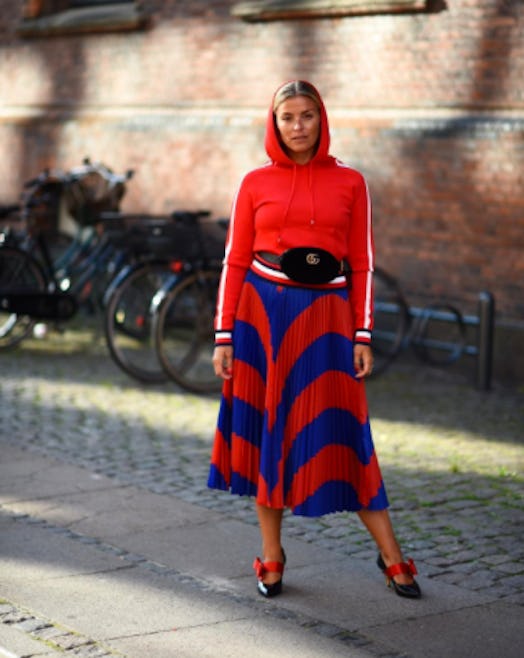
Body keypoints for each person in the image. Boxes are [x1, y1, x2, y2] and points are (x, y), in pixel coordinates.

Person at [208, 80, 421, 600]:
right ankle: (272, 556)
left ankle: (392, 557)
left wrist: (362, 332)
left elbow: (364, 262)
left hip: (326, 319)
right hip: (261, 318)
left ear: (321, 119)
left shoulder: (351, 182)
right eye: (288, 117)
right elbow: (235, 259)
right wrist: (224, 335)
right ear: (274, 123)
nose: (298, 126)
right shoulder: (254, 182)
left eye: (307, 115)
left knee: (345, 432)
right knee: (266, 431)